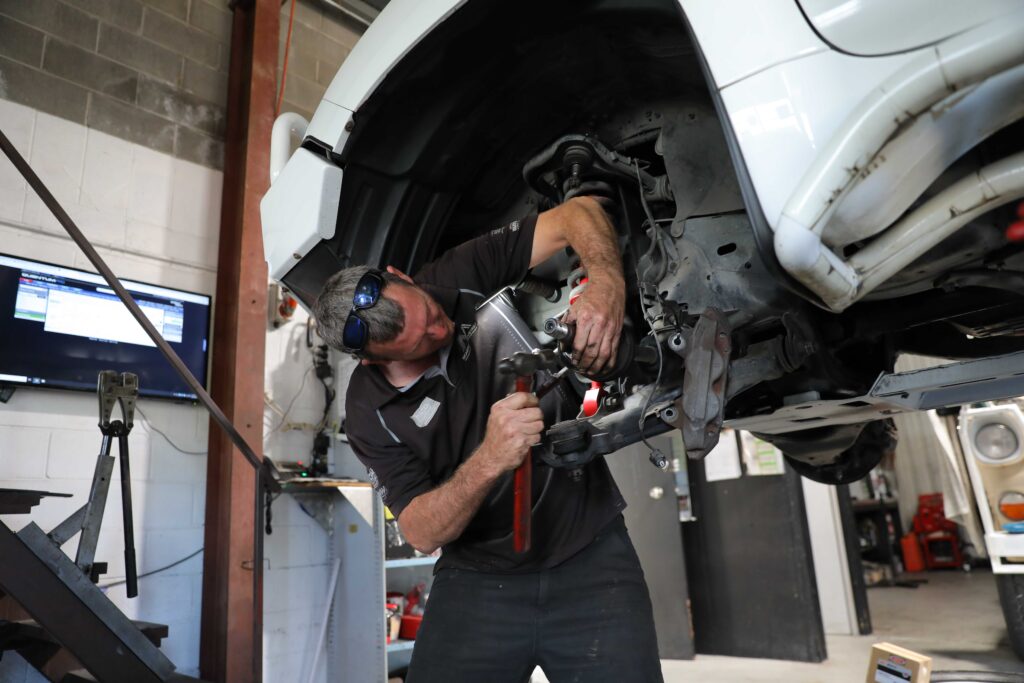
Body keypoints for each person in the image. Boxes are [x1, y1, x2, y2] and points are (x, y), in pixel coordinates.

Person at [314, 196, 663, 682]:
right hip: (480, 581)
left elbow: (578, 213)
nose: (439, 328)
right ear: (373, 360)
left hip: (590, 554)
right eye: (419, 343)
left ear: (402, 275)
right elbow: (420, 530)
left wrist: (606, 285)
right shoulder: (370, 412)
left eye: (432, 313)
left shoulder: (457, 273)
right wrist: (491, 458)